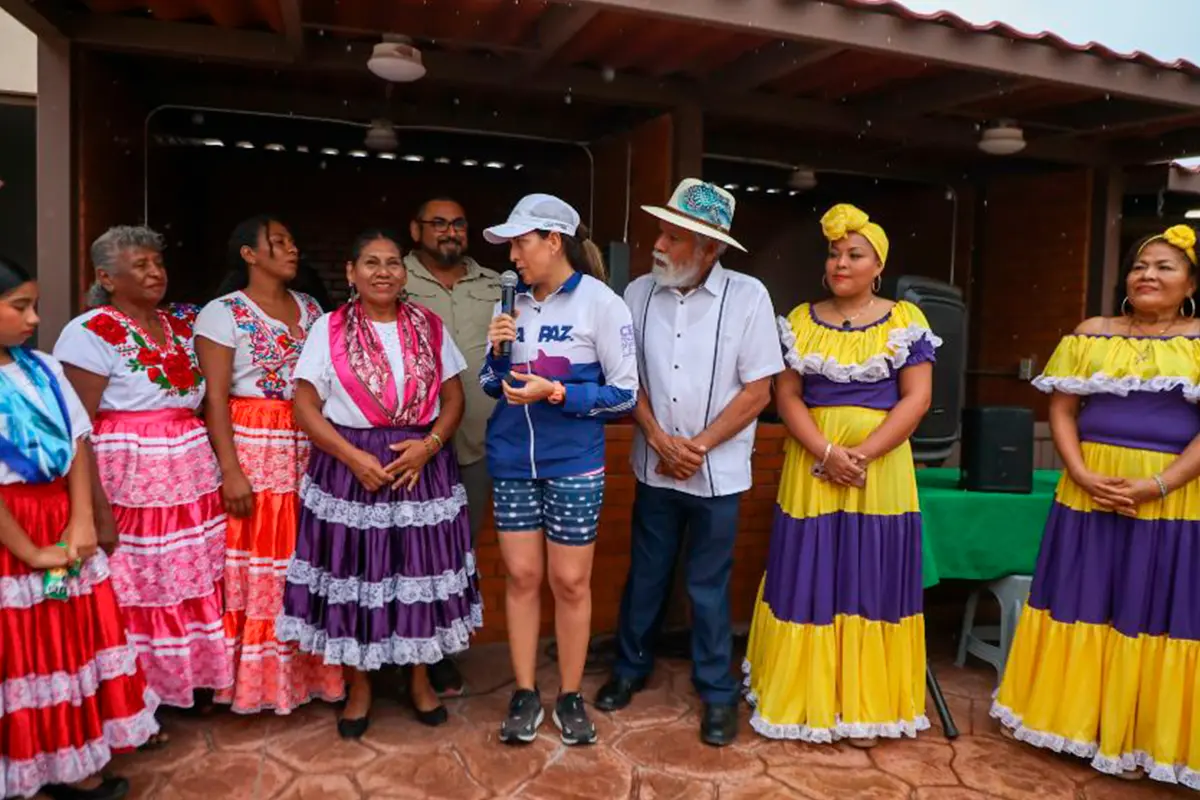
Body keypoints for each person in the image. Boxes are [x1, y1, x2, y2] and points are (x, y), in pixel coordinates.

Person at [992, 224, 1200, 789]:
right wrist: (1080, 473)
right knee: (1080, 601)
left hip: (1172, 499)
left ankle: (1134, 736)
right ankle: (1067, 723)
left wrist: (1156, 485)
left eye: (1164, 266)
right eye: (1139, 265)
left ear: (1191, 282)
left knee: (1146, 610)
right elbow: (1062, 409)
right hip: (1086, 493)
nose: (1148, 275)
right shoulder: (1093, 332)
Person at [595, 179, 784, 746]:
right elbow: (627, 379)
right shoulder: (636, 294)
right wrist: (657, 438)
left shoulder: (749, 296)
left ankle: (716, 692)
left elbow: (759, 391)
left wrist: (696, 446)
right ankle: (630, 669)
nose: (660, 244)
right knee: (647, 574)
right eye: (662, 231)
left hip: (718, 473)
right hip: (655, 466)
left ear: (710, 250)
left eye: (675, 237)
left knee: (707, 584)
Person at [742, 204, 938, 747]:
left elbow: (917, 399)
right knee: (812, 566)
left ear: (879, 266)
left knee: (869, 571)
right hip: (813, 463)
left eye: (855, 254)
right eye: (834, 253)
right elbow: (787, 395)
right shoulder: (800, 321)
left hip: (881, 468)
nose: (841, 262)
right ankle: (808, 697)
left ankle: (863, 706)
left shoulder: (905, 321)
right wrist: (828, 452)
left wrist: (864, 454)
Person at [276, 229, 480, 739]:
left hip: (420, 465)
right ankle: (360, 685)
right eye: (371, 262)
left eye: (392, 262)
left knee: (417, 570)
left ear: (404, 273)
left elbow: (454, 399)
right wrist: (353, 458)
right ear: (351, 273)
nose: (384, 271)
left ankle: (417, 678)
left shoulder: (430, 326)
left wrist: (428, 446)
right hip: (350, 466)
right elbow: (304, 405)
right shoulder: (328, 329)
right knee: (358, 573)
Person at [53, 226, 233, 729]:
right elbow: (77, 428)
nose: (155, 273)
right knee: (138, 588)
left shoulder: (177, 325)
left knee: (189, 580)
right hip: (130, 484)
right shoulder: (90, 331)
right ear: (106, 277)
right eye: (141, 266)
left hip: (188, 480)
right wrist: (97, 512)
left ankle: (187, 681)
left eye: (158, 263)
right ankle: (139, 701)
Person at [0, 255, 161, 800]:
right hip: (12, 533)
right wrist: (31, 551)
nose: (33, 319)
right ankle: (31, 767)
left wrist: (83, 520)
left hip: (62, 521)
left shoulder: (41, 368)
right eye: (19, 307)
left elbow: (77, 442)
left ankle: (74, 761)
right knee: (23, 650)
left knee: (68, 643)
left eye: (35, 306)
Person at [480, 194, 638, 746]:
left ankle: (569, 695)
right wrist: (499, 359)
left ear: (554, 241)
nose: (514, 256)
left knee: (570, 581)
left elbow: (623, 396)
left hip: (573, 462)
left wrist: (559, 393)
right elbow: (487, 383)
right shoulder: (510, 302)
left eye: (522, 243)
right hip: (510, 459)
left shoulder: (601, 303)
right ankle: (525, 691)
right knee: (522, 577)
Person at [195, 216, 344, 715]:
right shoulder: (223, 313)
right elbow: (214, 398)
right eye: (278, 242)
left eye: (292, 239)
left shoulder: (311, 308)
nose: (292, 248)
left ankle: (307, 676)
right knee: (263, 562)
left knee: (305, 555)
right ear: (249, 255)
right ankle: (258, 683)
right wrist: (230, 469)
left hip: (309, 442)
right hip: (255, 445)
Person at [404, 196, 501, 697]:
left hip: (479, 445)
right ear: (415, 229)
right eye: (438, 224)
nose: (450, 232)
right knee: (407, 552)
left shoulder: (496, 285)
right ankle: (401, 651)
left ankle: (442, 653)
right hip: (411, 447)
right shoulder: (393, 278)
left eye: (459, 224)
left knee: (457, 553)